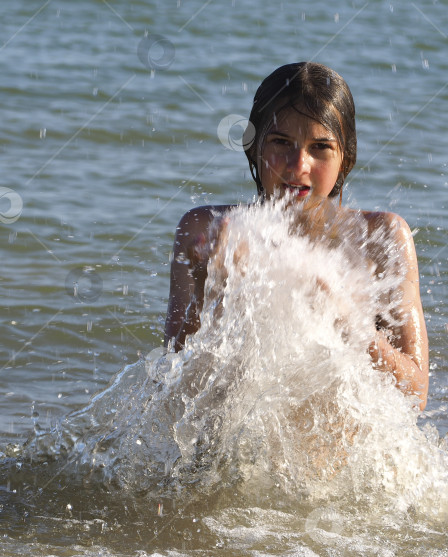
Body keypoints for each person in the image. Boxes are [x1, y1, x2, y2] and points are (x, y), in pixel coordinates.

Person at [164, 62, 429, 410]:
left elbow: (415, 393)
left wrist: (349, 320)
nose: (298, 164)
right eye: (280, 142)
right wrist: (211, 285)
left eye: (320, 147)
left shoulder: (381, 238)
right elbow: (174, 386)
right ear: (253, 147)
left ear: (345, 157)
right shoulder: (207, 231)